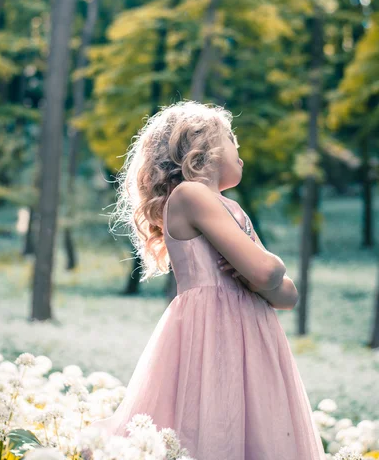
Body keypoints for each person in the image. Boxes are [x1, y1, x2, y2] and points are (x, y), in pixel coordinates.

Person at [89, 100, 326, 460]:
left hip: (250, 333)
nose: (240, 153)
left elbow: (287, 295)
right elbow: (268, 274)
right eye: (233, 140)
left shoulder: (229, 207)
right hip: (213, 332)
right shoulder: (191, 195)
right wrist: (262, 274)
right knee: (214, 424)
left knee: (252, 429)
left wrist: (259, 276)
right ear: (202, 149)